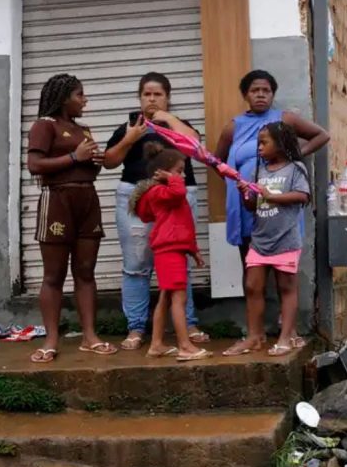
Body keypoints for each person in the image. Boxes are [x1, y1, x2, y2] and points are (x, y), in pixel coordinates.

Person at [103, 72, 210, 351]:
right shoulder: (129, 126)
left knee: (179, 259)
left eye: (157, 94)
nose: (151, 99)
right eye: (146, 94)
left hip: (178, 197)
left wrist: (168, 119)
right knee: (136, 265)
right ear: (139, 97)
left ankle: (188, 323)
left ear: (167, 98)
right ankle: (136, 328)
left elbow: (198, 148)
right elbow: (109, 162)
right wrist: (130, 137)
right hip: (138, 198)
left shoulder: (178, 125)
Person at [25, 74, 117, 363]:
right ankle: (51, 340)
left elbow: (88, 171)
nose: (85, 100)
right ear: (64, 98)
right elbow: (34, 165)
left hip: (87, 200)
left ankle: (90, 336)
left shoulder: (83, 129)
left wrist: (94, 162)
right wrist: (75, 158)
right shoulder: (44, 126)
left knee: (86, 271)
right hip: (57, 201)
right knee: (54, 275)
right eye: (80, 95)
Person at [214, 70, 328, 264]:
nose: (260, 94)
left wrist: (295, 156)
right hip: (247, 202)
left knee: (282, 265)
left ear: (273, 94)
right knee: (250, 265)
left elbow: (321, 136)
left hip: (277, 201)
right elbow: (217, 161)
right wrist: (235, 183)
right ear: (245, 95)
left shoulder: (285, 120)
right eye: (254, 90)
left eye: (266, 90)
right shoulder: (234, 126)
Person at [223, 122, 311, 357]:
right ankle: (254, 336)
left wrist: (272, 196)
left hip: (285, 240)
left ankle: (285, 336)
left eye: (264, 142)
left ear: (281, 144)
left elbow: (302, 195)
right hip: (260, 239)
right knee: (252, 286)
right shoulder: (258, 171)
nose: (259, 147)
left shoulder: (295, 168)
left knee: (286, 287)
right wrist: (246, 193)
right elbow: (252, 206)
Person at [131, 143, 211, 361]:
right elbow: (178, 191)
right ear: (163, 171)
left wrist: (193, 250)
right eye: (178, 171)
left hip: (173, 248)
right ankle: (185, 345)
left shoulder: (165, 192)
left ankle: (156, 344)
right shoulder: (161, 192)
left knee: (167, 297)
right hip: (169, 250)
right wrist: (171, 178)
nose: (182, 175)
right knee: (179, 298)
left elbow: (183, 223)